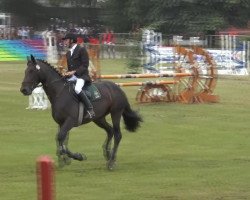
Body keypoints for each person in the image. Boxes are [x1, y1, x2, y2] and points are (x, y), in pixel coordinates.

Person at [62, 33, 95, 119]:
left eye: (66, 40)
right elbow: (70, 68)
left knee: (77, 89)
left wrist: (73, 72)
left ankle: (90, 110)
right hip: (72, 76)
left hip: (82, 76)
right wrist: (66, 72)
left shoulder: (81, 50)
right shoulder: (68, 53)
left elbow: (85, 65)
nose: (65, 42)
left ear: (72, 40)